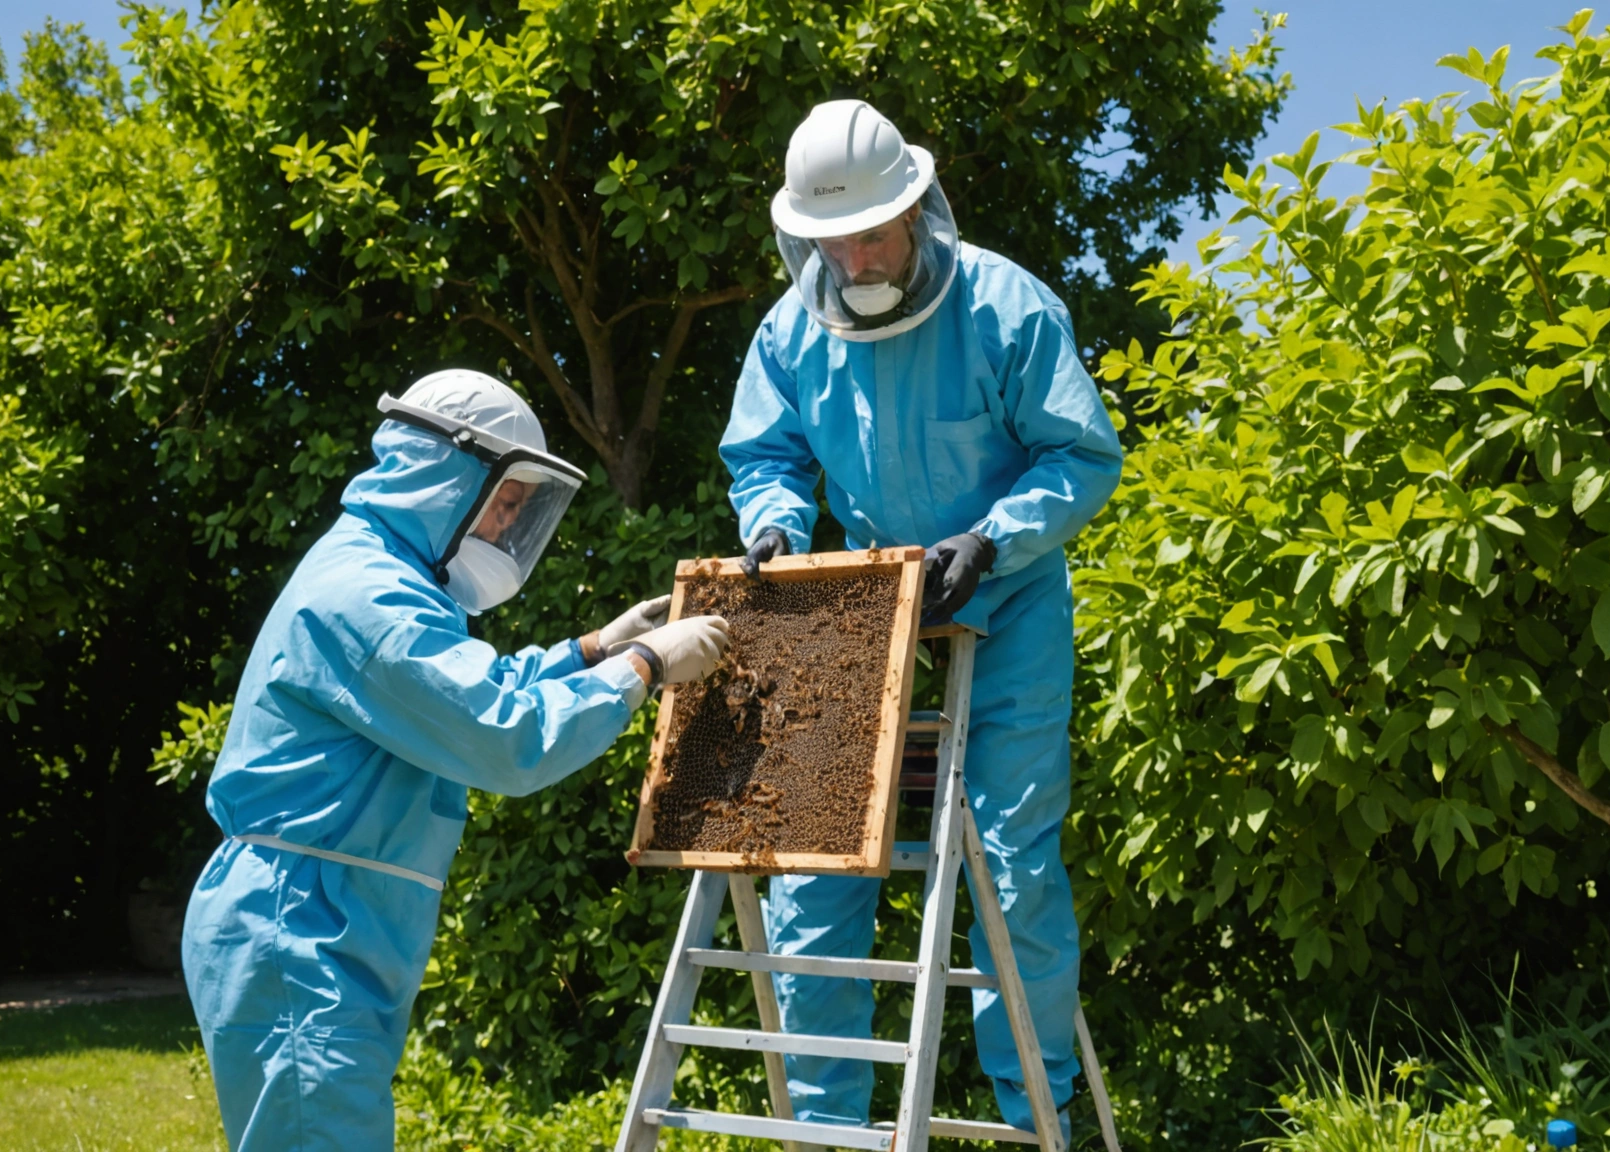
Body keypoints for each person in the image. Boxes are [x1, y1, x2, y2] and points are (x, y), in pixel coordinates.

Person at [182, 369, 731, 1152]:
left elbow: (475, 689)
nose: (508, 527)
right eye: (505, 502)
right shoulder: (365, 596)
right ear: (446, 474)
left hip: (325, 922)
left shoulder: (392, 578)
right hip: (299, 925)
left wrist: (593, 650)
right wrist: (642, 664)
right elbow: (504, 736)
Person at [720, 100, 1124, 1141]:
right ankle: (829, 1132)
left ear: (917, 209)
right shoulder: (786, 332)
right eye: (830, 239)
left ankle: (1041, 1119)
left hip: (1009, 608)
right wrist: (771, 528)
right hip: (857, 610)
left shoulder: (1006, 306)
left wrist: (991, 537)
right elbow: (763, 457)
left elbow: (1082, 455)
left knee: (1013, 870)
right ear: (800, 237)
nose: (854, 255)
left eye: (871, 230)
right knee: (814, 879)